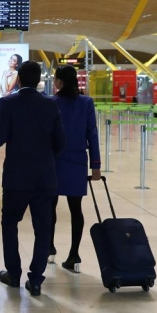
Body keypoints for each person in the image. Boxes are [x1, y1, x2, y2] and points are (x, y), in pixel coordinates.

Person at [0, 61, 66, 296]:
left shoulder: (8, 103)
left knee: (10, 223)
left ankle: (14, 273)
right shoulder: (51, 105)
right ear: (39, 80)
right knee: (43, 229)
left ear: (18, 79)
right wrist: (46, 159)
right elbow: (61, 142)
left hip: (17, 178)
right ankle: (36, 279)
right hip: (45, 179)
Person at [49, 65, 101, 274]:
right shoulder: (86, 103)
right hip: (78, 161)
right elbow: (92, 134)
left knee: (49, 206)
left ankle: (49, 247)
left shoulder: (51, 102)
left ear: (60, 82)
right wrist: (95, 165)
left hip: (54, 161)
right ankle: (74, 254)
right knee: (75, 209)